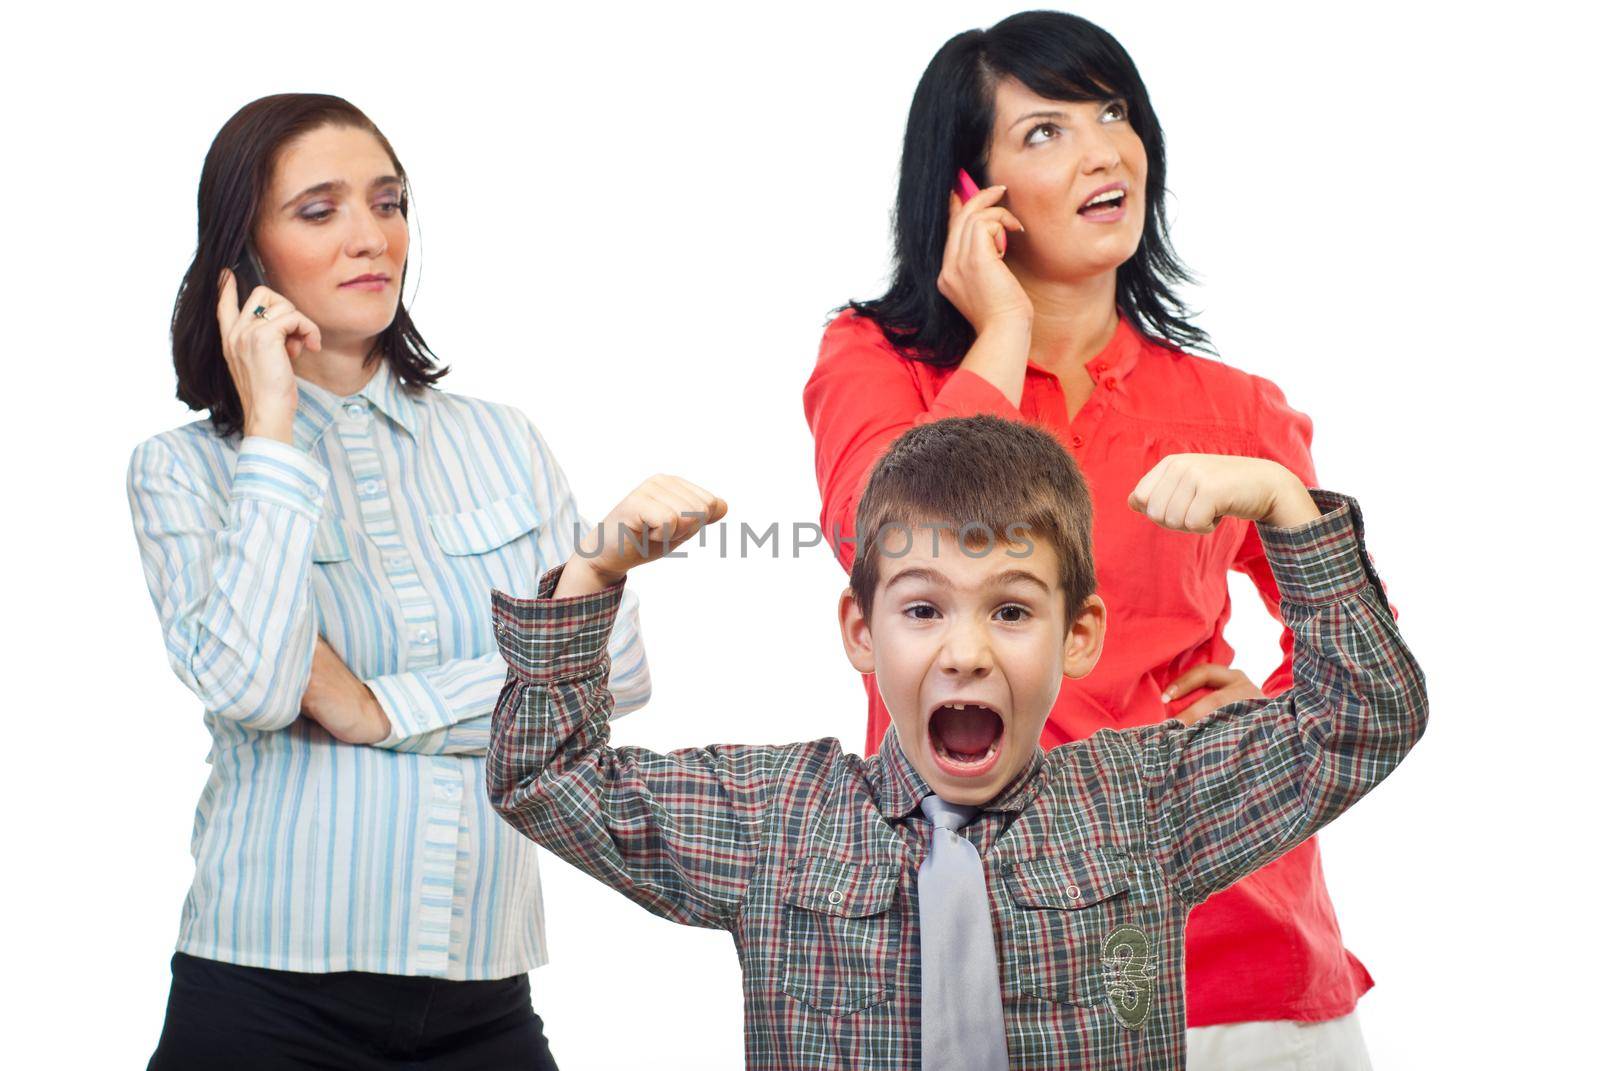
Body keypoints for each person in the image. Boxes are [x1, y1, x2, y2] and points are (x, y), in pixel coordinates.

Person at [484, 415, 1427, 1070]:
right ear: (861, 632)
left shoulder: (1145, 802)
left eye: (1012, 609)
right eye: (924, 608)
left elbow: (1363, 717)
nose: (967, 652)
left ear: (1079, 635)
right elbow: (545, 773)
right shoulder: (776, 821)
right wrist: (593, 570)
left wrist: (1283, 502)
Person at [801, 11, 1386, 1064]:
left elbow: (1357, 638)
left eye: (1111, 114)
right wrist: (1003, 335)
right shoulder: (876, 366)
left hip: (1233, 948)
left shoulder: (1234, 408)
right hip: (984, 949)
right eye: (1043, 132)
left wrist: (1276, 716)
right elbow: (889, 530)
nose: (1103, 150)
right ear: (965, 194)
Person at [127, 93, 649, 1069]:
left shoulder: (503, 441)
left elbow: (606, 674)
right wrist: (272, 429)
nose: (372, 237)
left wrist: (375, 707)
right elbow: (253, 687)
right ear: (246, 258)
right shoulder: (184, 471)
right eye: (318, 211)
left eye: (389, 201)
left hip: (482, 996)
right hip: (261, 999)